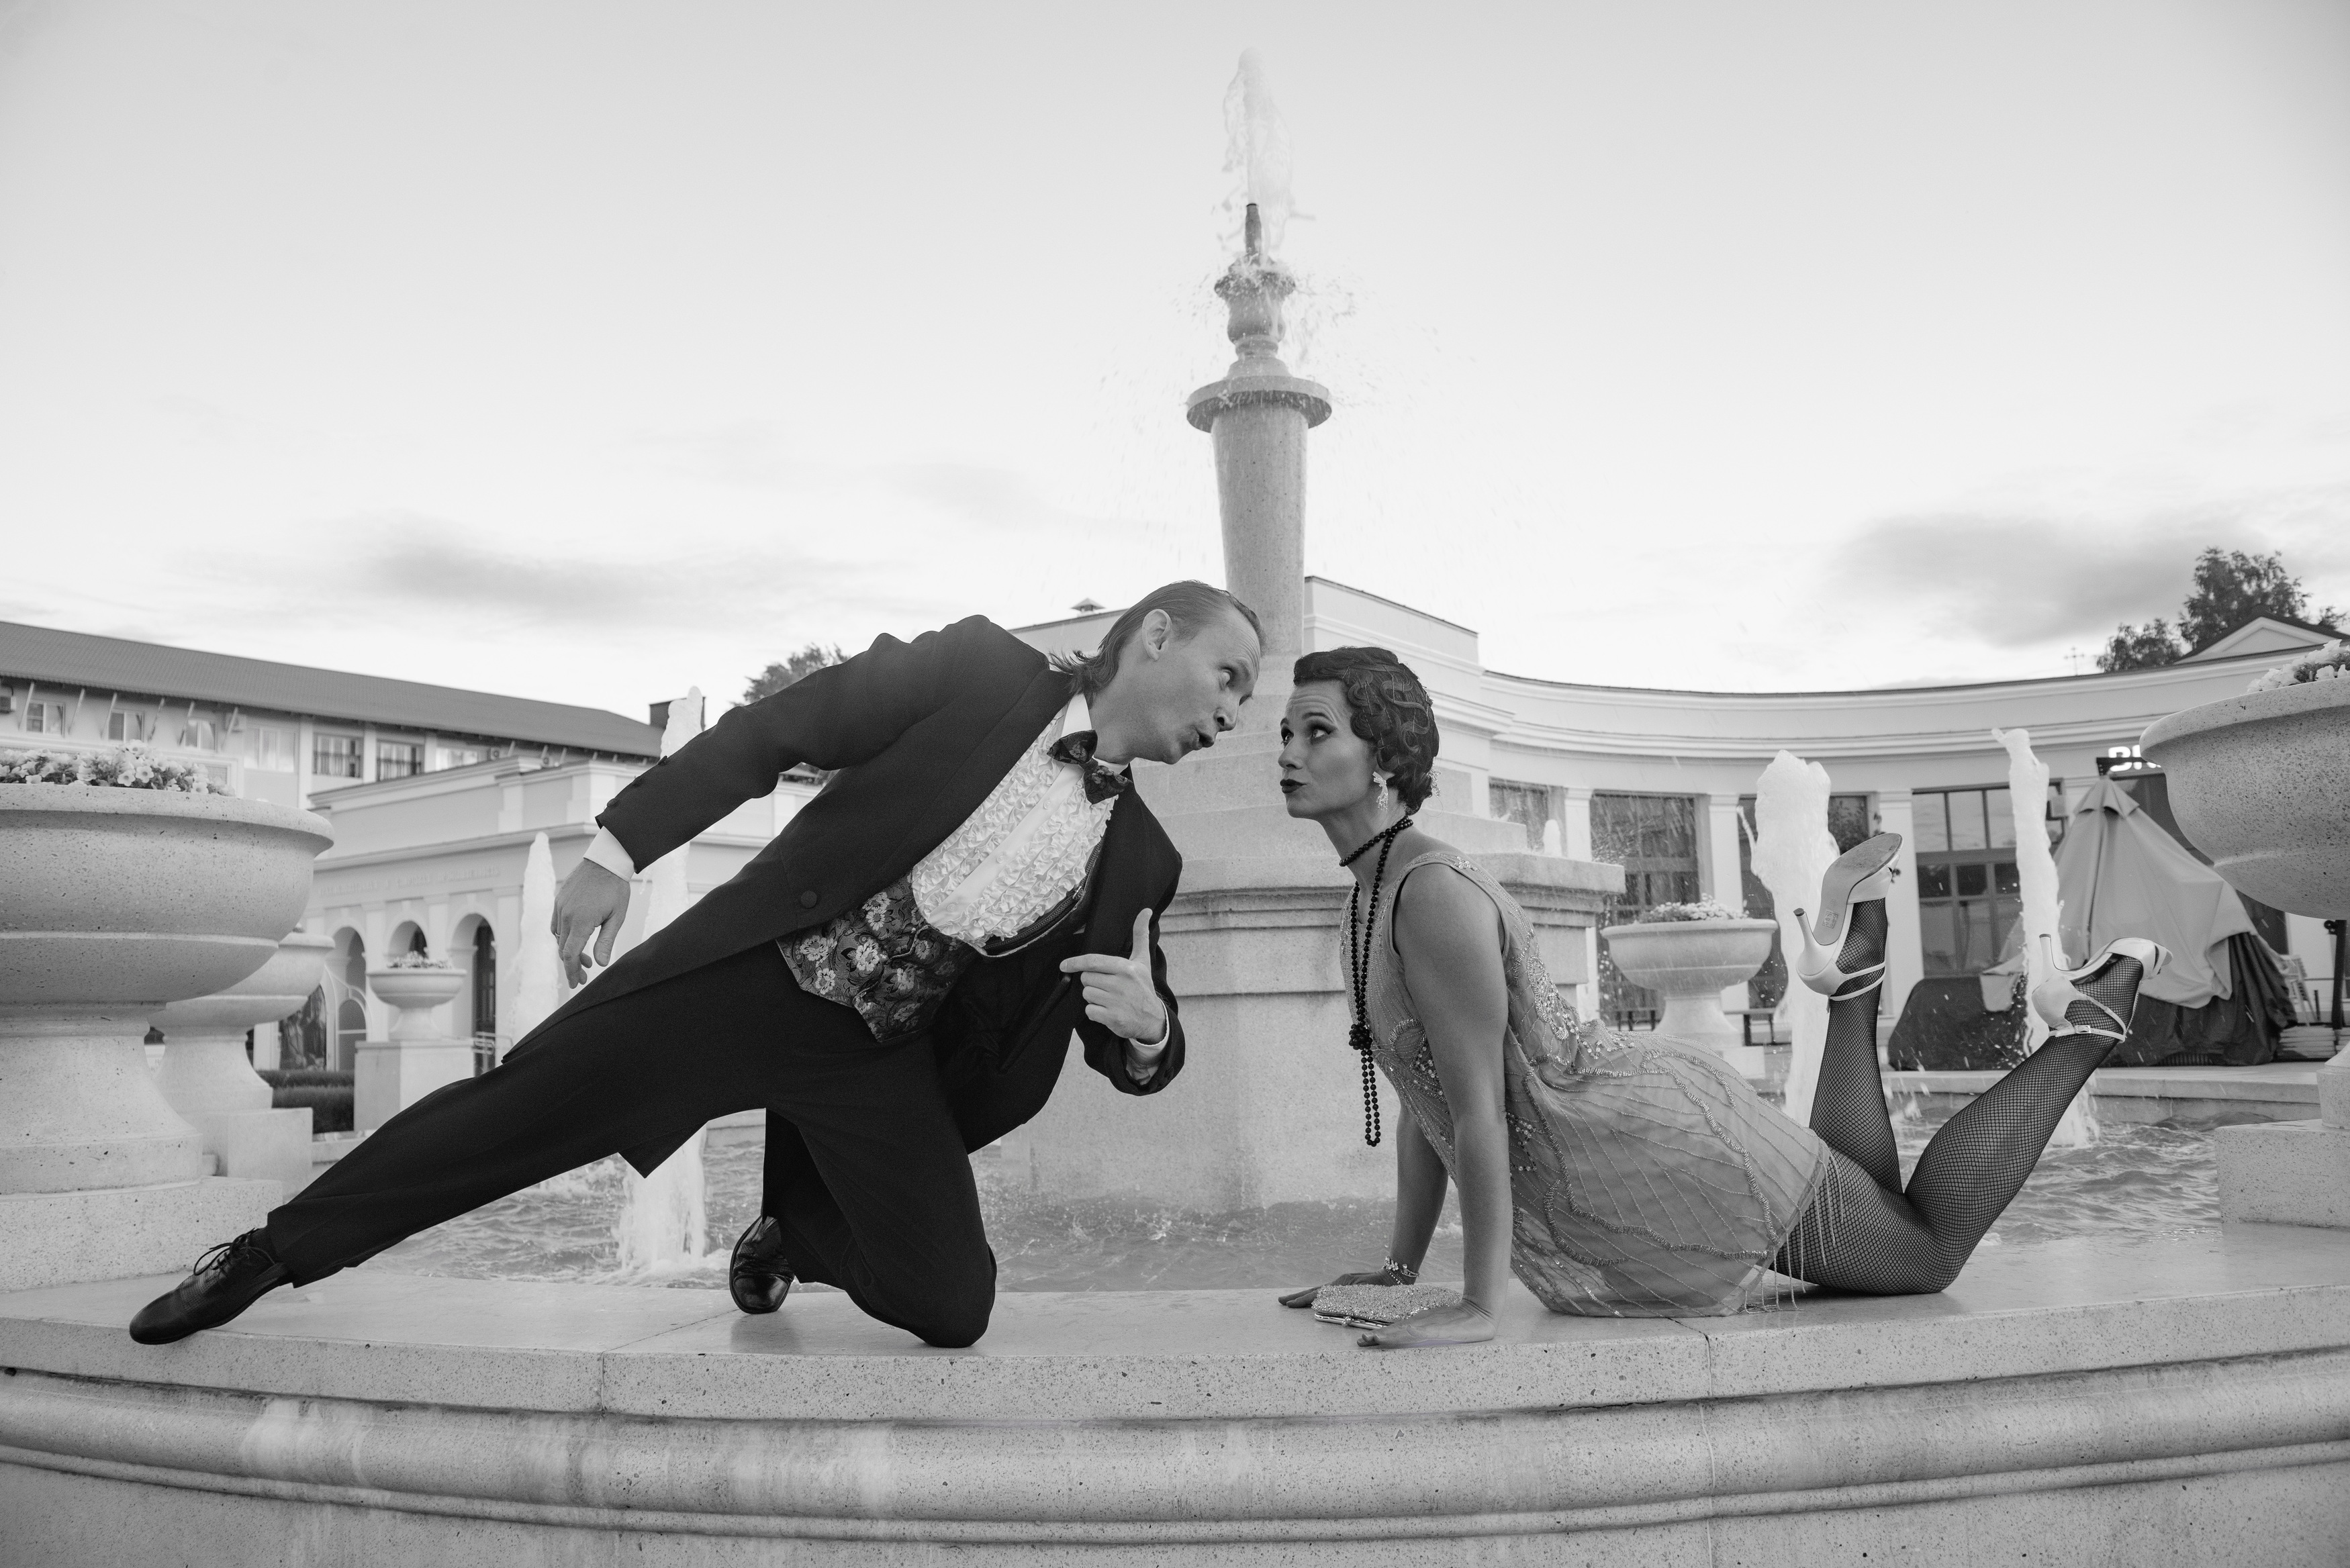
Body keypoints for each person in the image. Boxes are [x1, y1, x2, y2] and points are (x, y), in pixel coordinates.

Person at [131, 583, 1264, 1349]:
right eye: (1229, 676)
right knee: (512, 1115)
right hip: (750, 974)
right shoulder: (979, 671)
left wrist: (1152, 1034)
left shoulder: (1144, 857)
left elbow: (1127, 1029)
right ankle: (265, 1256)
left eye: (1246, 699)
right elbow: (778, 729)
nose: (1232, 712)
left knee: (954, 1306)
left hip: (877, 1057)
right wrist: (619, 851)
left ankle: (793, 1229)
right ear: (1157, 635)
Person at [1272, 646, 2167, 1348]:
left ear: (1384, 759)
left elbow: (1479, 1115)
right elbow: (1427, 1102)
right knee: (1876, 1203)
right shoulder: (1375, 892)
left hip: (1659, 1154)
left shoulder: (1428, 893)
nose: (1288, 753)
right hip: (1632, 1136)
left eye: (1317, 732)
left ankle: (2091, 1021)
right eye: (1286, 733)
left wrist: (1477, 1305)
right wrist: (1398, 1272)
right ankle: (1856, 966)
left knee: (1925, 1254)